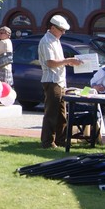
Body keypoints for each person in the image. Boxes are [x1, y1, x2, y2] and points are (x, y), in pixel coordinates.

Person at [38, 15, 82, 149]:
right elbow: (50, 63)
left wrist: (68, 62)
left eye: (64, 30)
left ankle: (61, 139)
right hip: (52, 81)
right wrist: (68, 61)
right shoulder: (46, 41)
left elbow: (57, 62)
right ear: (52, 28)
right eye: (61, 30)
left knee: (61, 114)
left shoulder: (55, 40)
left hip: (59, 81)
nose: (63, 33)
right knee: (51, 112)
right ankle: (47, 142)